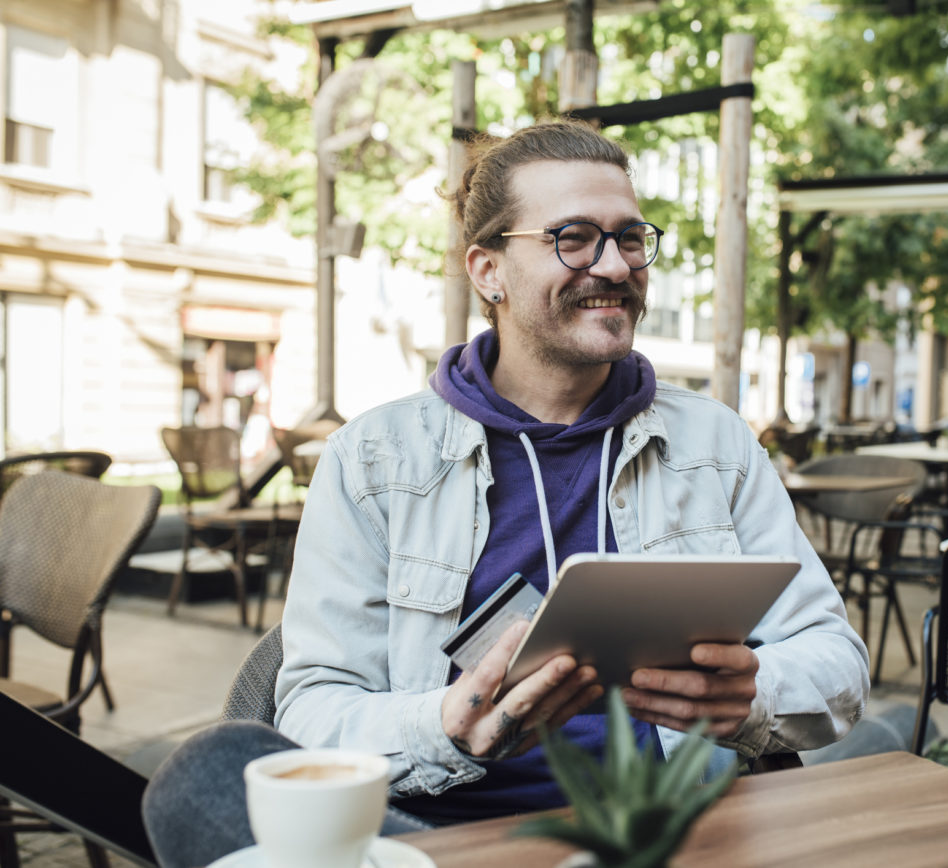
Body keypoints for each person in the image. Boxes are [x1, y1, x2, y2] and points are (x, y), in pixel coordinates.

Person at [143, 120, 868, 861]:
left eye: (630, 238)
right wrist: (445, 724)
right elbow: (311, 714)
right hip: (442, 838)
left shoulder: (714, 442)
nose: (615, 266)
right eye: (575, 238)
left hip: (669, 826)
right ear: (487, 270)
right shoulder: (373, 458)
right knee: (201, 775)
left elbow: (836, 663)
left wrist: (754, 692)